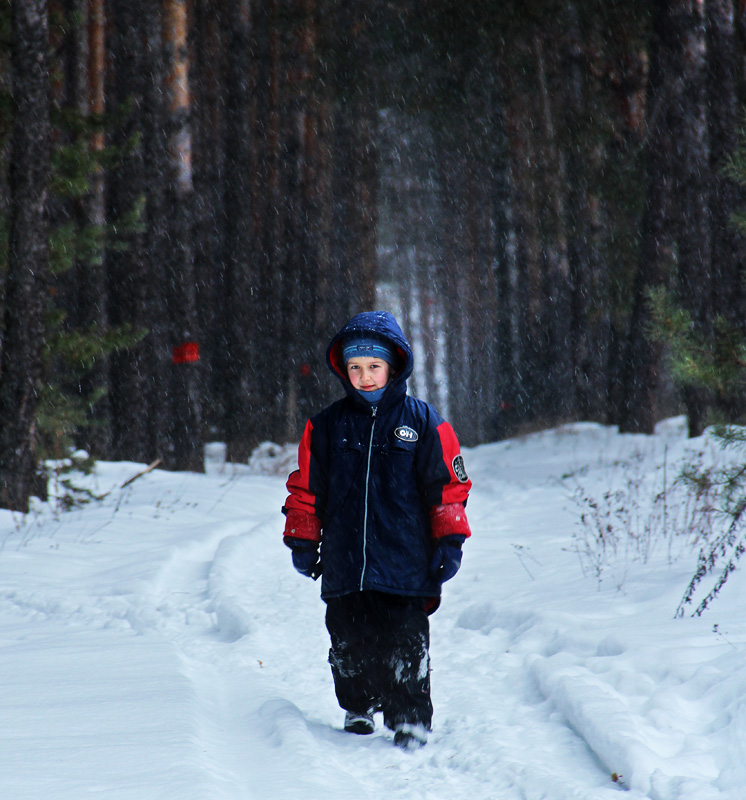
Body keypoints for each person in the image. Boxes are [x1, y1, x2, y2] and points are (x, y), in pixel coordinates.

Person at [282, 310, 472, 750]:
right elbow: (306, 488)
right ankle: (358, 705)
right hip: (347, 561)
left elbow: (448, 486)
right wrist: (303, 537)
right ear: (343, 370)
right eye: (355, 368)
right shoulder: (325, 426)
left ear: (393, 366)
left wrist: (449, 538)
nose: (365, 377)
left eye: (374, 367)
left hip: (405, 558)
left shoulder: (424, 422)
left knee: (406, 643)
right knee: (349, 642)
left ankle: (409, 719)